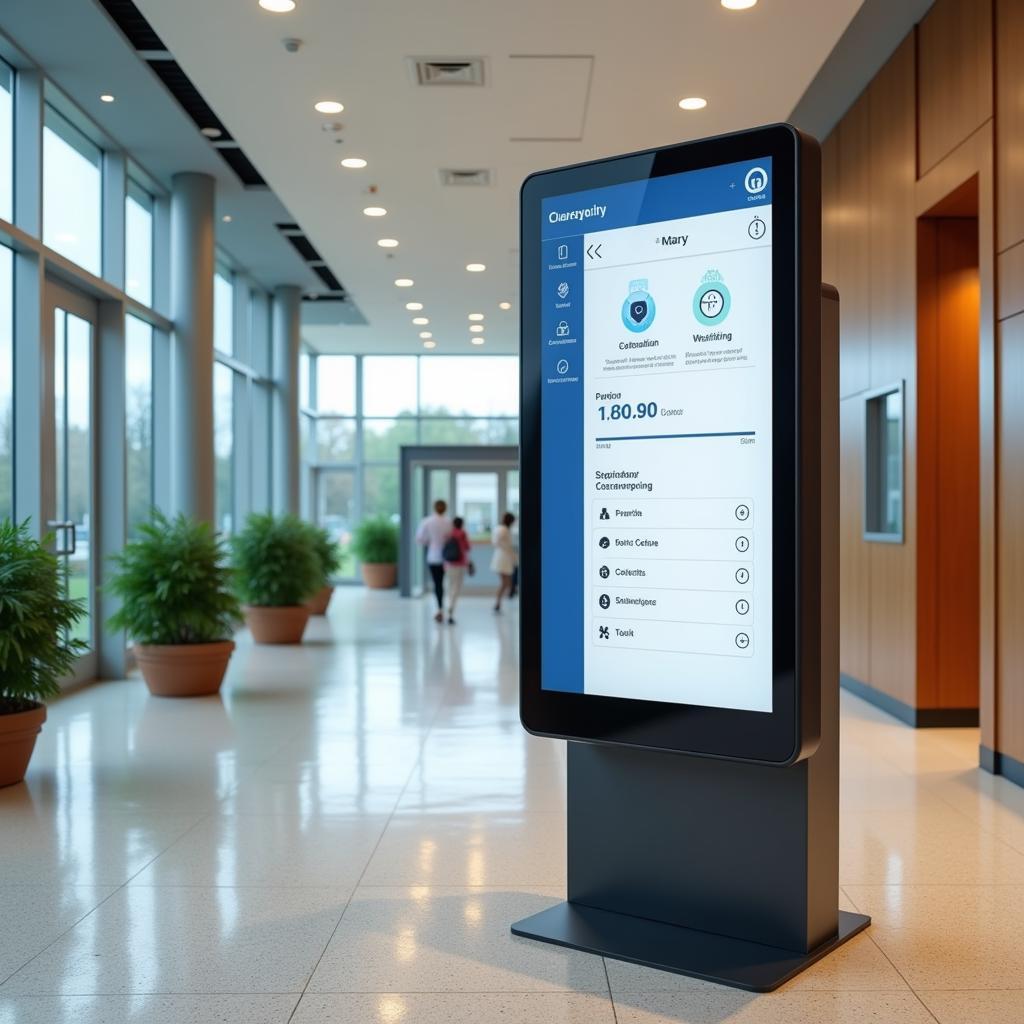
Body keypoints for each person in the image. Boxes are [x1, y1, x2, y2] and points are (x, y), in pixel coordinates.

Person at [416, 499, 453, 622]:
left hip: (433, 556)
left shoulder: (427, 521)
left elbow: (420, 539)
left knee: (437, 583)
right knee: (443, 583)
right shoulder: (448, 522)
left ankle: (439, 609)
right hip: (448, 557)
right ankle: (444, 608)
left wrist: (430, 542)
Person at [442, 516, 472, 625]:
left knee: (449, 586)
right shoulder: (463, 534)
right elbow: (468, 548)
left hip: (449, 564)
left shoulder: (448, 534)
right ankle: (451, 609)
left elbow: (444, 548)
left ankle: (447, 606)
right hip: (460, 564)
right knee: (456, 588)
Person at [491, 511, 517, 613]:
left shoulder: (500, 528)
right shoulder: (504, 530)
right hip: (503, 558)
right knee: (505, 583)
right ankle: (498, 602)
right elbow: (497, 542)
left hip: (502, 557)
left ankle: (500, 601)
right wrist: (508, 549)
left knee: (506, 582)